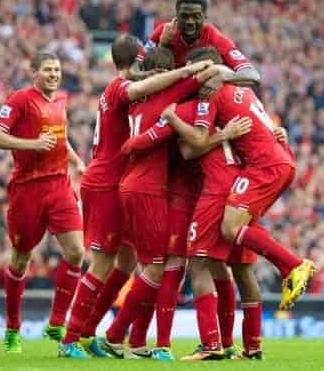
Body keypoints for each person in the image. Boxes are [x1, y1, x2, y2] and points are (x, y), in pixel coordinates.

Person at [60, 35, 215, 359]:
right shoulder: (121, 89)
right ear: (136, 63)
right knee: (104, 264)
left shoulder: (124, 95)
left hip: (117, 182)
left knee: (128, 262)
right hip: (108, 183)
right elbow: (146, 91)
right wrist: (193, 69)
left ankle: (92, 333)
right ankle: (72, 338)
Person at [161, 47, 314, 360]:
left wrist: (172, 118)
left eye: (197, 71)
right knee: (240, 270)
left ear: (212, 70)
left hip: (231, 185)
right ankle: (251, 347)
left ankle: (213, 343)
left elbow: (193, 149)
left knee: (203, 260)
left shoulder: (206, 101)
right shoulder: (243, 94)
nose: (192, 78)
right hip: (257, 174)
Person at [0, 52, 87, 354]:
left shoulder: (61, 100)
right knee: (20, 260)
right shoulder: (19, 99)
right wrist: (31, 144)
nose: (54, 74)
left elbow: (58, 137)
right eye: (47, 70)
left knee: (77, 251)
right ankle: (12, 329)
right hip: (27, 190)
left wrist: (77, 160)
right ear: (34, 73)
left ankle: (57, 322)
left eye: (57, 69)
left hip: (59, 186)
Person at [133, 0, 260, 89]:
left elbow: (252, 75)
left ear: (205, 17)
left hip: (202, 99)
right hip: (167, 95)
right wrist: (162, 45)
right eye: (185, 16)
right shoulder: (165, 32)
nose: (190, 22)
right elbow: (135, 67)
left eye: (196, 17)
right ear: (176, 16)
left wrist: (222, 77)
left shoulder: (215, 39)